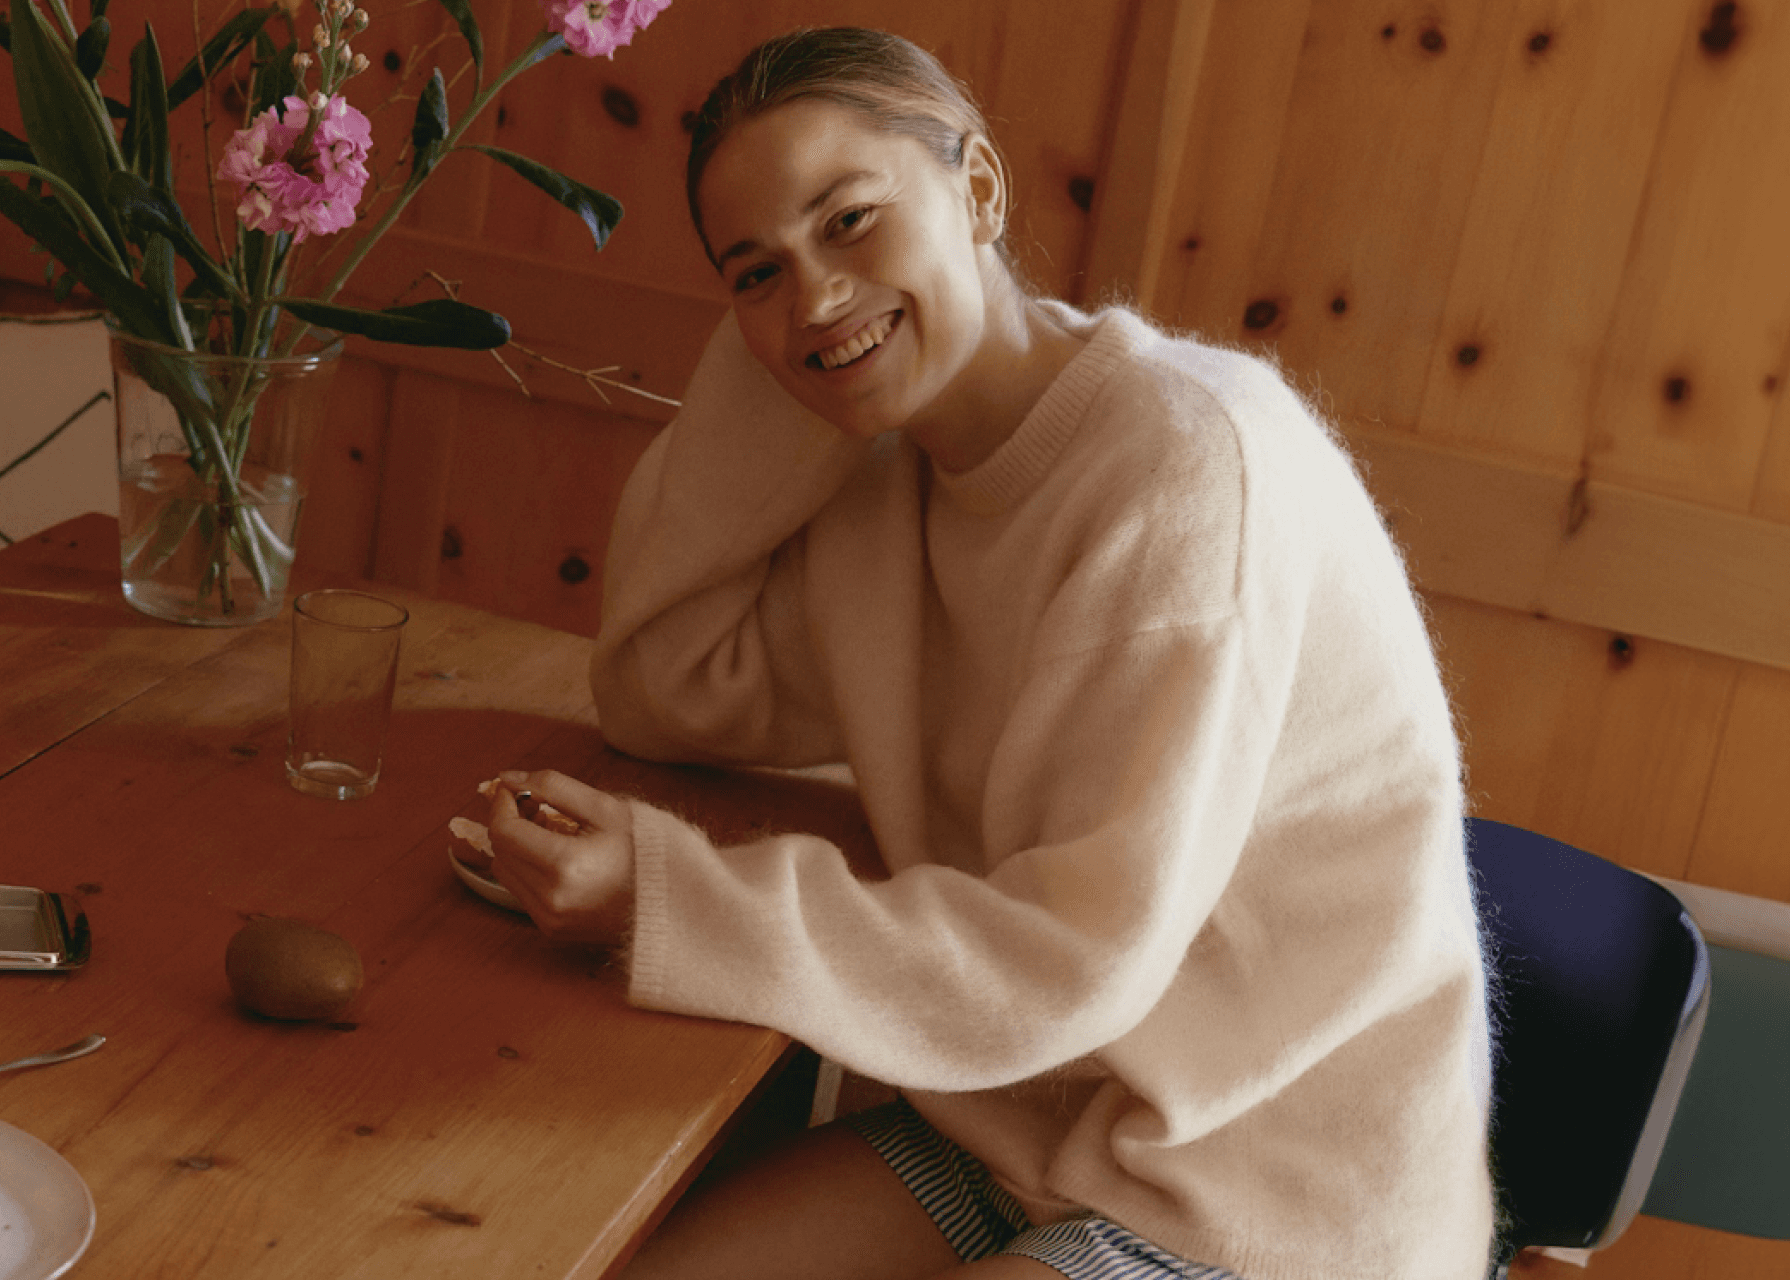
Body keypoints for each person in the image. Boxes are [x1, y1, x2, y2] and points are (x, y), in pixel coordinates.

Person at [486, 26, 1497, 1280]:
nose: (809, 292)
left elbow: (1075, 957)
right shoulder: (885, 486)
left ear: (976, 189)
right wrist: (817, 356)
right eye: (753, 272)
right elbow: (664, 687)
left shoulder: (1187, 468)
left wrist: (665, 896)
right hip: (1012, 1114)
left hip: (1263, 1192)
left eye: (849, 219)